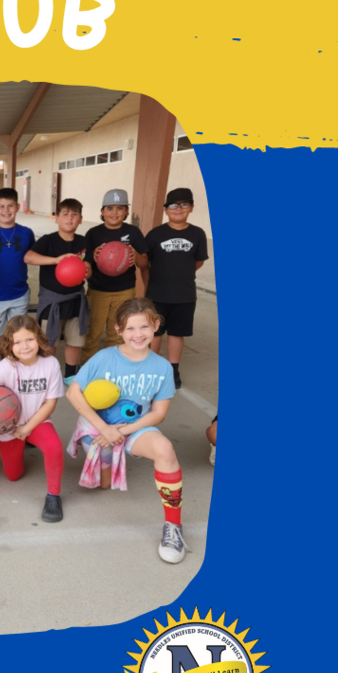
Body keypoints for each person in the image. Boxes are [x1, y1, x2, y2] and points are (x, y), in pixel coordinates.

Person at [65, 298, 185, 563]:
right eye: (130, 328)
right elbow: (73, 393)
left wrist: (124, 430)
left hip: (135, 427)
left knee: (165, 449)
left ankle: (173, 527)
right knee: (105, 485)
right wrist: (105, 429)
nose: (138, 334)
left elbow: (158, 413)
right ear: (118, 330)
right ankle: (104, 462)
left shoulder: (162, 367)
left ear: (155, 325)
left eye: (144, 326)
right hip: (98, 427)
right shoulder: (104, 358)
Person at [0, 315, 66, 523]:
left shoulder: (51, 364)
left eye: (29, 339)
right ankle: (22, 444)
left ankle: (53, 496)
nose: (24, 346)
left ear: (38, 338)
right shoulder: (6, 367)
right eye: (17, 342)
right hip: (9, 427)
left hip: (37, 422)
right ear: (9, 345)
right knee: (13, 475)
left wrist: (27, 428)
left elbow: (50, 404)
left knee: (54, 447)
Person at [141, 187, 209, 389]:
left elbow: (198, 261)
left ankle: (172, 369)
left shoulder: (198, 234)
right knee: (155, 332)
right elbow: (145, 263)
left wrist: (182, 274)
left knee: (177, 333)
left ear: (191, 207)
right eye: (173, 205)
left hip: (185, 294)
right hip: (158, 294)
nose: (178, 209)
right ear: (165, 210)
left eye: (183, 204)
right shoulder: (155, 234)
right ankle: (152, 368)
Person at [24, 198, 91, 383]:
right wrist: (57, 260)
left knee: (74, 340)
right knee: (49, 340)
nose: (70, 218)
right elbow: (28, 258)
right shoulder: (48, 240)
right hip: (52, 300)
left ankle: (70, 374)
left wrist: (87, 270)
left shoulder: (84, 242)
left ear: (81, 219)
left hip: (76, 299)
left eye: (74, 214)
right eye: (65, 214)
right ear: (56, 218)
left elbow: (89, 266)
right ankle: (49, 373)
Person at [80, 189, 149, 363]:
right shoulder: (94, 233)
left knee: (116, 332)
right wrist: (93, 257)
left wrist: (135, 255)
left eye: (120, 208)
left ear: (126, 211)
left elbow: (144, 263)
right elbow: (85, 264)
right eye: (109, 208)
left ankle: (112, 366)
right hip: (97, 290)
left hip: (124, 290)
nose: (114, 213)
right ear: (102, 212)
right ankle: (86, 365)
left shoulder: (133, 233)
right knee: (92, 331)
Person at [0, 188, 35, 367]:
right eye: (1, 206)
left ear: (17, 207)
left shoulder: (26, 233)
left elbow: (34, 256)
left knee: (18, 335)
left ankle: (14, 365)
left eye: (10, 206)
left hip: (19, 294)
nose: (6, 210)